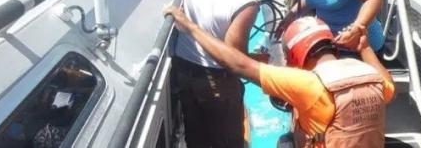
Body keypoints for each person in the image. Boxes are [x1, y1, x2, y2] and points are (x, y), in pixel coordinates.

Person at [162, 10, 396, 148]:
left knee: (286, 141)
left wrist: (191, 27)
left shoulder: (308, 85)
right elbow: (390, 86)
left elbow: (237, 63)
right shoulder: (370, 76)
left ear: (295, 54)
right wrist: (364, 47)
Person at [155, 0, 274, 148]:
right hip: (218, 84)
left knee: (196, 139)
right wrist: (262, 63)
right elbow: (235, 62)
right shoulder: (246, 2)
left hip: (184, 72)